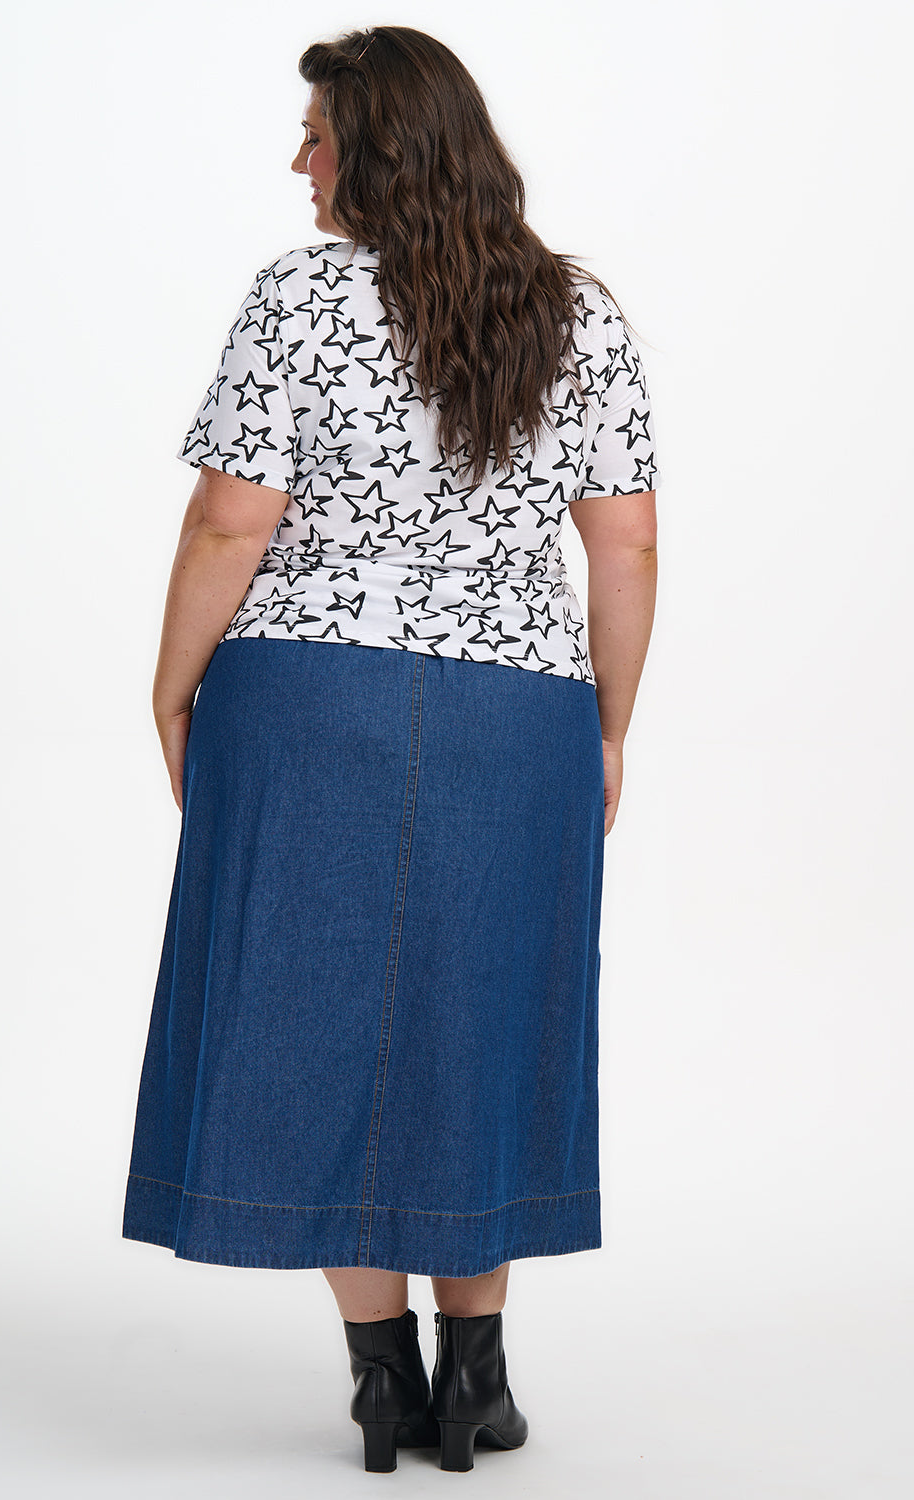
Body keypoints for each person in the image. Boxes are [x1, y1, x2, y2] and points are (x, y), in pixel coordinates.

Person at [122, 24, 658, 1475]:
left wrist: (169, 691)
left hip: (307, 702)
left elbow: (234, 520)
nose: (298, 161)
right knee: (486, 1021)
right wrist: (604, 723)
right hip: (519, 714)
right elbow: (627, 546)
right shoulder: (580, 315)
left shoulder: (300, 300)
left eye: (316, 134)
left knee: (308, 1010)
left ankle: (381, 1386)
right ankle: (474, 1380)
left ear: (380, 148)